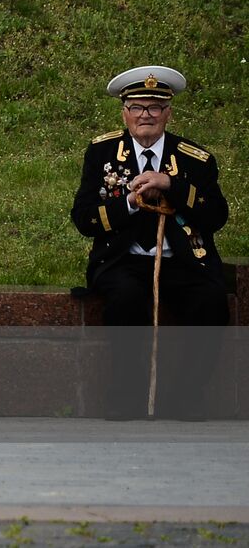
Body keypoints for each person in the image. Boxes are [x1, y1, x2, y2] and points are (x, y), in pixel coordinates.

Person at [71, 66, 229, 420]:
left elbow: (216, 216)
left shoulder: (194, 159)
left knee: (211, 301)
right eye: (138, 107)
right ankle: (126, 395)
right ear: (124, 112)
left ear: (168, 113)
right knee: (124, 299)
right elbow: (84, 218)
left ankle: (187, 397)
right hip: (123, 259)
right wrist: (128, 202)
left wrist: (172, 185)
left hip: (182, 259)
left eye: (155, 108)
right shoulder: (103, 153)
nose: (146, 115)